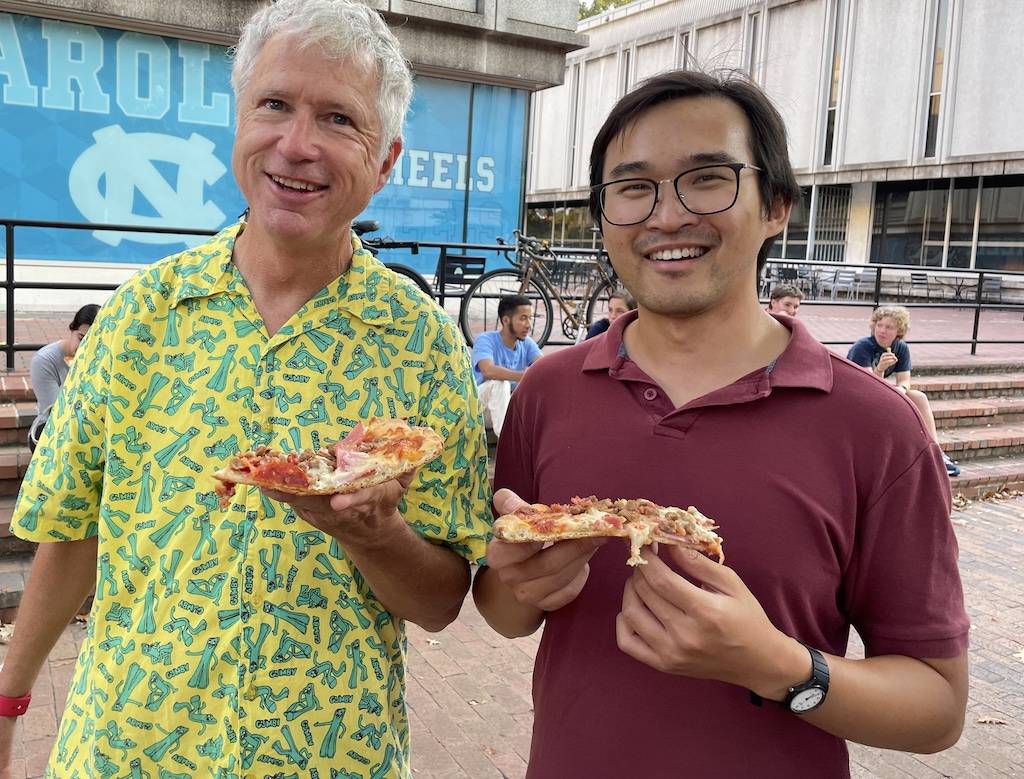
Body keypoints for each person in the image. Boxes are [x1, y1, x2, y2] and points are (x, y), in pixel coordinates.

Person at [0, 2, 492, 777]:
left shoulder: (425, 344)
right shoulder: (140, 315)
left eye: (338, 118)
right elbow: (73, 529)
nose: (297, 146)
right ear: (238, 120)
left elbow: (440, 600)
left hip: (331, 756)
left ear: (387, 158)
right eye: (274, 105)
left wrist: (373, 532)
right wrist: (10, 696)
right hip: (129, 749)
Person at [472, 70, 968, 778]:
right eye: (633, 188)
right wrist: (519, 583)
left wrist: (778, 665)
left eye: (707, 178)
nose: (666, 216)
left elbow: (940, 706)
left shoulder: (877, 426)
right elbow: (503, 610)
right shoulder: (549, 390)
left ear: (777, 205)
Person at [847, 305, 960, 477]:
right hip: (857, 395)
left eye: (889, 327)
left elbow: (905, 379)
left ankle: (936, 454)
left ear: (899, 331)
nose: (882, 330)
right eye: (879, 325)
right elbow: (867, 384)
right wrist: (880, 369)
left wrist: (901, 389)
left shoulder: (901, 348)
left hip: (881, 391)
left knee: (919, 398)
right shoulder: (862, 347)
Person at [27, 303, 100, 450]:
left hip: (92, 426)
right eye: (81, 338)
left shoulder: (102, 358)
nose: (85, 347)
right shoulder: (44, 360)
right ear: (72, 329)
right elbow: (55, 412)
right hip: (53, 426)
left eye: (94, 341)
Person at [471, 294, 542, 436]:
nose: (529, 325)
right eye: (523, 318)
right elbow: (488, 371)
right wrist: (526, 375)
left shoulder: (527, 344)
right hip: (477, 411)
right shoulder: (486, 340)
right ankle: (508, 443)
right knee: (500, 384)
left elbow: (545, 369)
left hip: (505, 412)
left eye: (530, 318)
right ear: (505, 320)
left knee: (543, 384)